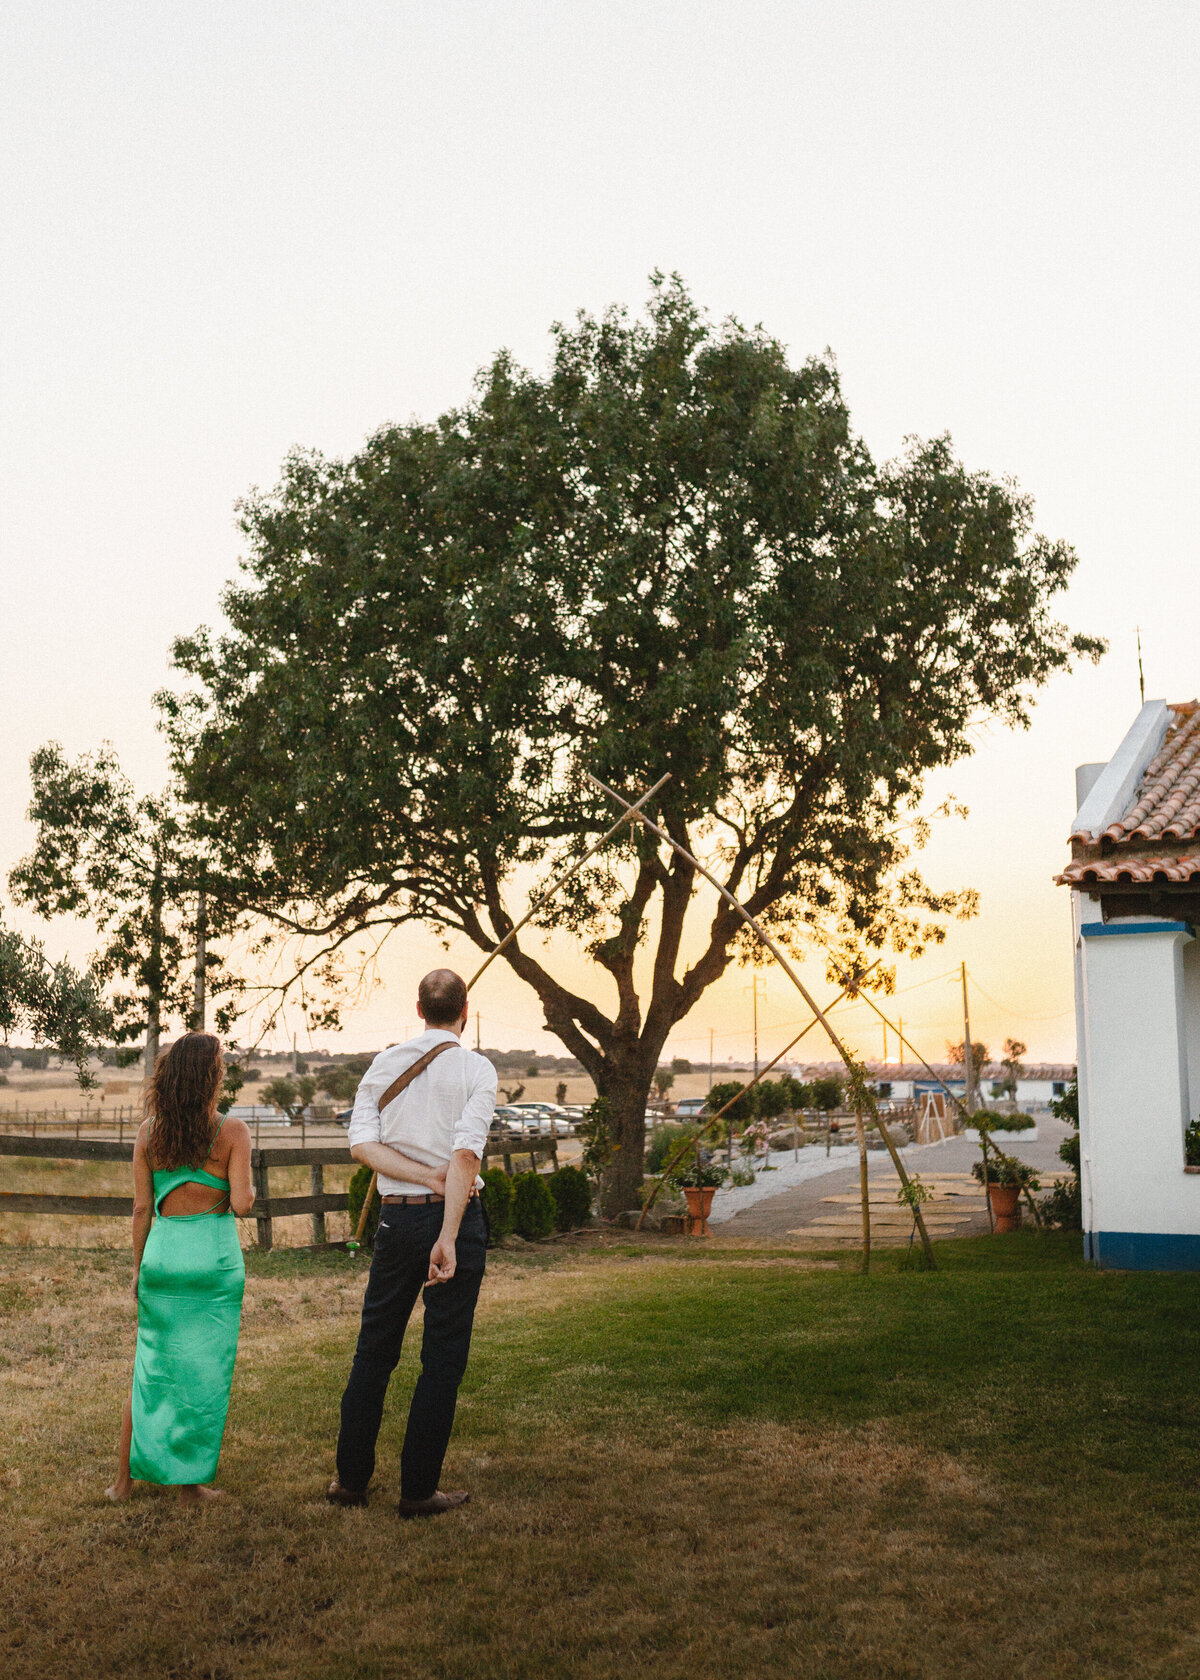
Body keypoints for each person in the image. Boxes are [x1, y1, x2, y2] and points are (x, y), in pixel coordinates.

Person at [329, 967, 495, 1517]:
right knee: (442, 1358)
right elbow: (466, 1156)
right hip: (455, 1222)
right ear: (464, 1013)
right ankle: (418, 1492)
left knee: (374, 1350)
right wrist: (447, 1231)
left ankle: (350, 1484)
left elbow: (361, 1145)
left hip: (396, 1223)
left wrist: (420, 1179)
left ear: (419, 1010)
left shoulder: (385, 1062)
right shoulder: (476, 1069)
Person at [105, 1033, 254, 1505]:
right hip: (212, 1264)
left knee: (148, 1370)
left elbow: (141, 1210)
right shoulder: (232, 1131)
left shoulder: (149, 1132)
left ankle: (122, 1484)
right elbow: (244, 1204)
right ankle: (190, 1487)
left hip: (163, 1261)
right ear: (210, 1079)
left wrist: (137, 1270)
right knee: (202, 1376)